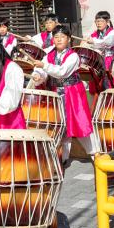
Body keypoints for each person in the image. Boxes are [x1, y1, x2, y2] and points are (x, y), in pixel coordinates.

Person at [32, 25, 99, 165]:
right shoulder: (49, 55)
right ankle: (63, 159)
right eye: (56, 37)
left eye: (62, 37)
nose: (59, 40)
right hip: (56, 92)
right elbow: (42, 72)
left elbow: (62, 72)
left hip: (73, 93)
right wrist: (38, 76)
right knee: (60, 125)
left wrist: (43, 67)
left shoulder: (73, 56)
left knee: (81, 124)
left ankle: (96, 155)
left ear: (68, 39)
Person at [86, 10, 114, 89]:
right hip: (98, 61)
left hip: (110, 60)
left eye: (101, 21)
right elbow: (93, 48)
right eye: (97, 21)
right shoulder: (94, 34)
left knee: (109, 82)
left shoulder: (112, 32)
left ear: (107, 21)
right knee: (97, 84)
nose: (98, 23)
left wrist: (93, 41)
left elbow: (107, 42)